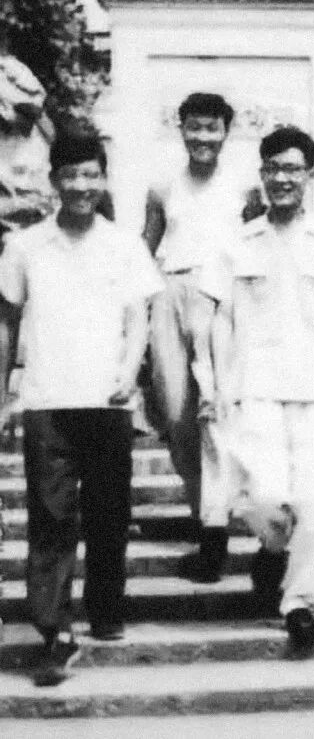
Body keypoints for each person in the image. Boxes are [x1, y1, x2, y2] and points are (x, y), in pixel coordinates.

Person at [0, 123, 162, 686]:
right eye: (70, 175)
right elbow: (7, 322)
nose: (80, 186)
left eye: (91, 175)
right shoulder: (25, 246)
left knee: (109, 511)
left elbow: (138, 317)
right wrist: (4, 393)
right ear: (54, 181)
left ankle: (106, 607)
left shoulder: (124, 244)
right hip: (48, 397)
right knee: (50, 515)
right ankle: (53, 631)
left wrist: (128, 372)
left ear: (103, 179)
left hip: (106, 399)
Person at [199, 126, 314, 655]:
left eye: (293, 169)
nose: (282, 178)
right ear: (262, 174)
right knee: (263, 497)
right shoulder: (237, 243)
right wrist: (217, 383)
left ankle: (299, 605)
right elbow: (220, 319)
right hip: (255, 389)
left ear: (310, 175)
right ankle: (272, 550)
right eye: (273, 168)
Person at [143, 92, 242, 583]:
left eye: (212, 127)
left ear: (226, 131)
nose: (203, 136)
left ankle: (215, 529)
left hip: (221, 299)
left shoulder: (244, 187)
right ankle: (202, 507)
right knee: (176, 413)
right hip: (170, 293)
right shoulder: (163, 186)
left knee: (214, 414)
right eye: (194, 127)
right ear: (180, 129)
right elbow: (146, 250)